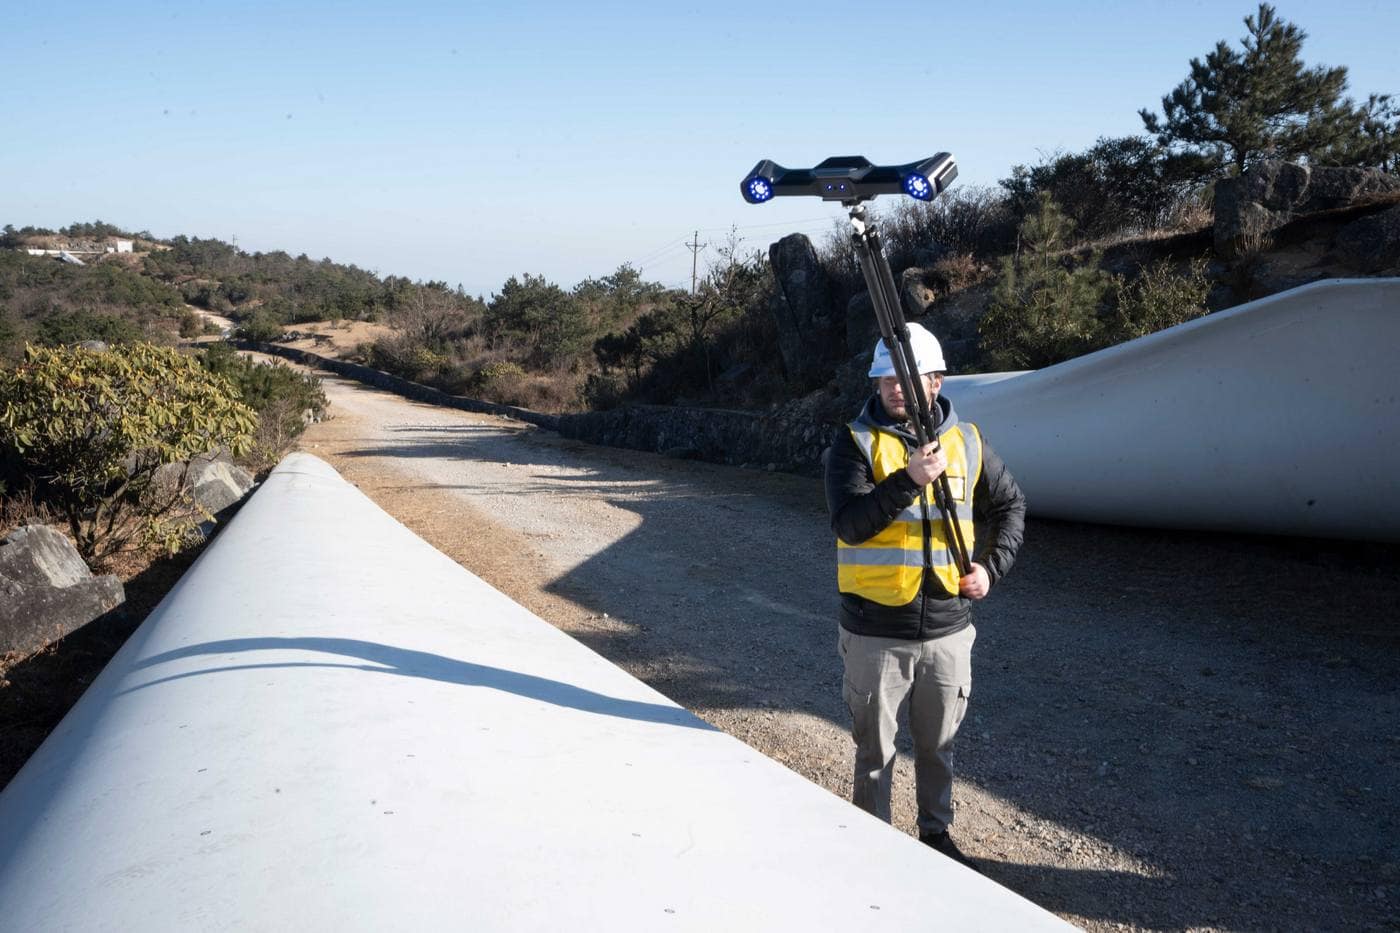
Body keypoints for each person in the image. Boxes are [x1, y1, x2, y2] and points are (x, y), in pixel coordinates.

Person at [824, 322, 1025, 871]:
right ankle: (873, 845)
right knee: (875, 754)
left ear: (935, 381)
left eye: (906, 378)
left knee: (939, 747)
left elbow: (1011, 508)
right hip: (874, 632)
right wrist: (907, 480)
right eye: (884, 378)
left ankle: (936, 839)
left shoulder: (968, 442)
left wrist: (992, 566)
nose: (894, 388)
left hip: (947, 630)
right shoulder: (854, 442)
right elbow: (849, 524)